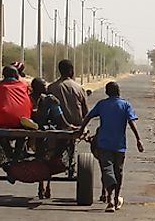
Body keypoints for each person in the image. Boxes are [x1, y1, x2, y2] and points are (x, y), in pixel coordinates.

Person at [78, 81, 143, 213]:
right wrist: (138, 139)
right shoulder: (125, 105)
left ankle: (110, 199)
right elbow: (131, 122)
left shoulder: (102, 105)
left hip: (103, 144)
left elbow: (88, 117)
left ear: (107, 93)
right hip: (119, 145)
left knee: (106, 169)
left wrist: (81, 130)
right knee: (118, 171)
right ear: (119, 92)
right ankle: (115, 196)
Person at [47, 59, 88, 125]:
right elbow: (85, 112)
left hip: (57, 127)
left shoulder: (51, 88)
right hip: (77, 127)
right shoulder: (79, 88)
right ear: (71, 71)